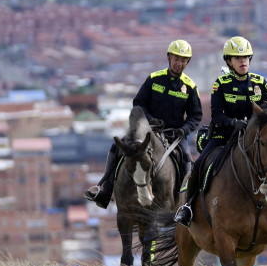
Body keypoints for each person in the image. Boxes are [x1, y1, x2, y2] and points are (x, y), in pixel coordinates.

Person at [85, 39, 201, 208]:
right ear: (169, 58)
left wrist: (184, 130)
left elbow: (196, 115)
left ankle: (185, 203)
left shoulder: (190, 86)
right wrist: (149, 120)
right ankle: (105, 191)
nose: (179, 63)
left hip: (175, 134)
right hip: (148, 131)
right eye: (176, 59)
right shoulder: (154, 79)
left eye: (184, 60)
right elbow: (138, 102)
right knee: (116, 147)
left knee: (186, 159)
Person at [174, 36, 267, 227]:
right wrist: (233, 123)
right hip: (224, 137)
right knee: (200, 164)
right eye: (237, 58)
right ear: (229, 61)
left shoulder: (261, 83)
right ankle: (187, 207)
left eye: (245, 58)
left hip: (255, 139)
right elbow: (217, 115)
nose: (243, 61)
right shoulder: (221, 84)